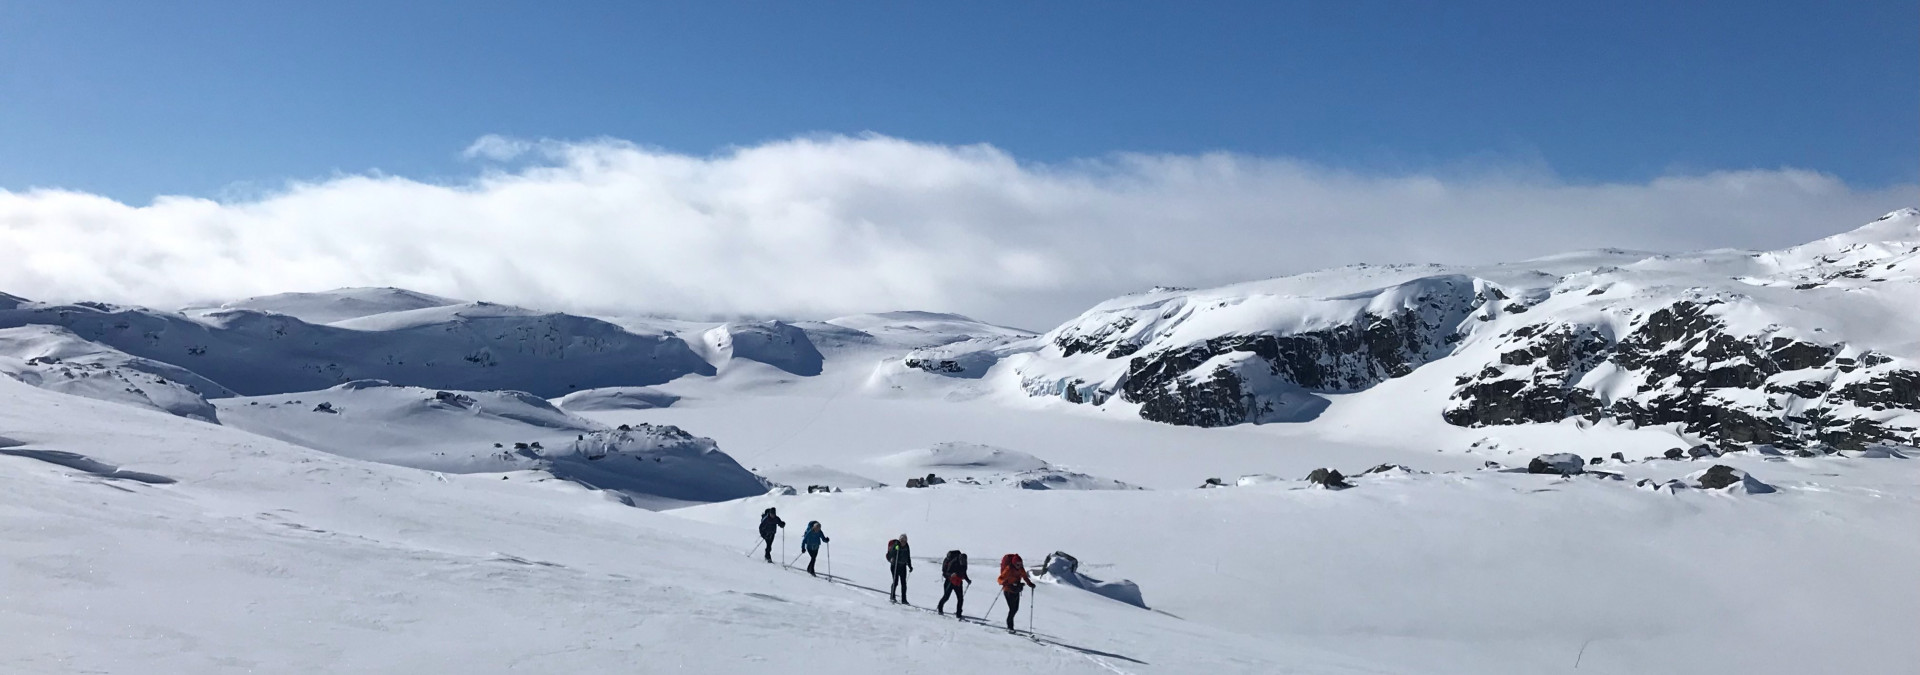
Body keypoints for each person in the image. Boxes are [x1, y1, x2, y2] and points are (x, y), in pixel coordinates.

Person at [998, 553, 1035, 632]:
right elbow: (1000, 579)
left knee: (1015, 609)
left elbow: (1025, 577)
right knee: (1012, 609)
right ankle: (1010, 627)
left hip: (1016, 590)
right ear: (1014, 563)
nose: (1020, 565)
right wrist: (1004, 582)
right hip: (1008, 590)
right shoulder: (1009, 569)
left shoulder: (1021, 569)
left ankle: (1010, 626)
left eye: (1021, 564)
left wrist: (1030, 584)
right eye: (1018, 564)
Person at [937, 549, 970, 619]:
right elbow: (946, 572)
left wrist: (967, 580)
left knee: (960, 598)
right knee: (946, 597)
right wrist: (951, 575)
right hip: (950, 581)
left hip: (958, 582)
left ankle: (959, 613)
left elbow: (964, 573)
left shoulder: (964, 563)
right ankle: (940, 607)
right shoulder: (953, 562)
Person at [885, 534, 913, 604]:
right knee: (895, 581)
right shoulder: (896, 545)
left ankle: (904, 599)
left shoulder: (907, 546)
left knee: (904, 584)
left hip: (903, 566)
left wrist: (910, 566)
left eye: (904, 541)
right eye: (902, 540)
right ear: (900, 540)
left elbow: (908, 557)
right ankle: (892, 596)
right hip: (895, 566)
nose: (903, 542)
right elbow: (891, 554)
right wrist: (895, 549)